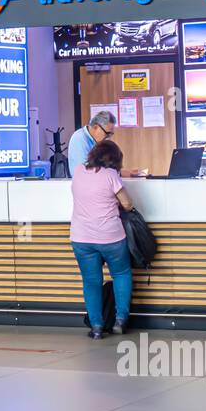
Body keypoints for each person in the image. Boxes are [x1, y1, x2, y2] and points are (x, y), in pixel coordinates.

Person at [71, 139, 135, 340]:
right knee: (121, 274)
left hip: (81, 237)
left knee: (91, 281)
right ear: (115, 159)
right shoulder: (112, 175)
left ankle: (97, 327)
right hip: (111, 237)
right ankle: (120, 321)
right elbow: (127, 204)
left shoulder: (79, 171)